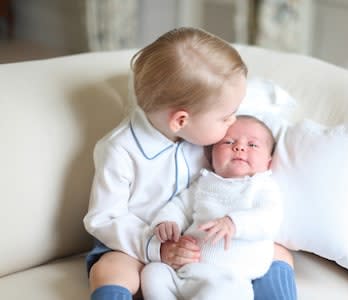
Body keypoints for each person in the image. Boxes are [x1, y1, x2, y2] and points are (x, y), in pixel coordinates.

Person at [83, 27, 297, 300]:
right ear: (181, 120)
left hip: (204, 246)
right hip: (136, 245)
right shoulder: (120, 150)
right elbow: (103, 218)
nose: (233, 123)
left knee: (278, 254)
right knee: (112, 269)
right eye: (226, 118)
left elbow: (248, 103)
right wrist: (156, 249)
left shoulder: (204, 124)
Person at [141, 116, 282, 300]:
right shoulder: (204, 182)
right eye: (228, 142)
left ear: (268, 163)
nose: (239, 147)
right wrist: (167, 221)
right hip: (185, 272)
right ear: (211, 155)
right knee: (153, 272)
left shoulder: (263, 186)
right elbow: (180, 206)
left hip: (229, 280)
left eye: (253, 145)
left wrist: (234, 223)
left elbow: (269, 218)